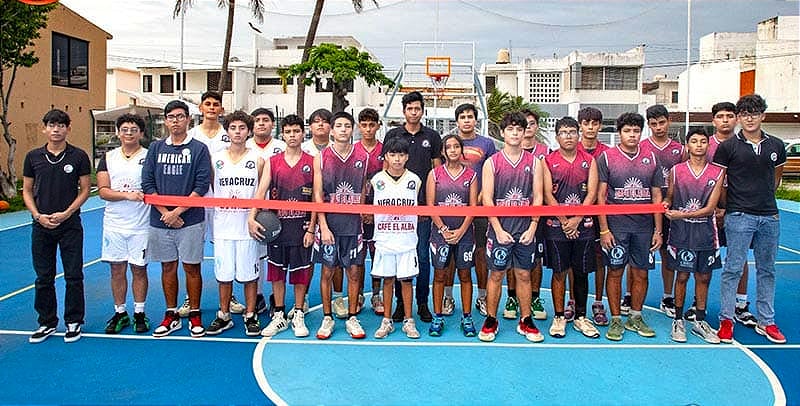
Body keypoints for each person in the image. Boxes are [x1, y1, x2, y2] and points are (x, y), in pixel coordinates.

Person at [713, 94, 786, 344]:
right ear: (739, 118)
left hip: (769, 216)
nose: (750, 118)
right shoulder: (728, 147)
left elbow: (776, 177)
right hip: (739, 215)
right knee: (733, 268)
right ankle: (726, 319)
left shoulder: (776, 145)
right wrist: (724, 208)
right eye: (744, 114)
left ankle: (767, 321)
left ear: (763, 116)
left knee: (767, 270)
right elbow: (721, 183)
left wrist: (764, 200)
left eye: (754, 113)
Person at [141, 100, 211, 338]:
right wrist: (165, 213)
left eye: (180, 116)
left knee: (192, 267)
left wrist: (178, 212)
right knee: (167, 267)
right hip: (160, 220)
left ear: (188, 119)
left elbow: (201, 185)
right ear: (166, 120)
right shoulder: (155, 148)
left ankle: (195, 314)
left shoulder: (199, 149)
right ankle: (171, 314)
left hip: (190, 220)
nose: (175, 121)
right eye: (171, 117)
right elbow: (147, 184)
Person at [23, 109, 91, 343]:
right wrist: (37, 215)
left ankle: (73, 321)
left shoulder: (79, 156)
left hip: (69, 225)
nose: (56, 129)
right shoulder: (33, 157)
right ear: (44, 128)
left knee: (73, 275)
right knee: (44, 277)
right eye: (52, 125)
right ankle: (46, 322)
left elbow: (85, 190)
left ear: (68, 129)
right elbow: (27, 190)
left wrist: (67, 213)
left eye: (61, 125)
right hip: (41, 226)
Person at [686, 102, 756, 328]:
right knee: (700, 260)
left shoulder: (746, 144)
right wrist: (712, 207)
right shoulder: (705, 144)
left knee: (739, 257)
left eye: (729, 116)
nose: (725, 120)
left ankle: (741, 305)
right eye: (720, 116)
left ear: (736, 119)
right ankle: (698, 302)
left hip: (739, 210)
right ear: (713, 120)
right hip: (708, 213)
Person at [596, 112, 662, 341]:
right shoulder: (607, 158)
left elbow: (656, 195)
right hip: (617, 227)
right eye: (627, 131)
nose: (632, 135)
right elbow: (601, 196)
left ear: (641, 132)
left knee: (641, 273)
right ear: (619, 133)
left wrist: (658, 230)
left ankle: (635, 315)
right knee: (615, 272)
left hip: (644, 228)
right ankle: (615, 319)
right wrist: (604, 229)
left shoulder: (652, 158)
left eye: (636, 131)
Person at [178, 91, 245, 317]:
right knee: (192, 252)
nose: (212, 108)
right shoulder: (191, 135)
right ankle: (190, 298)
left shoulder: (228, 135)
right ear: (200, 107)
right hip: (196, 200)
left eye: (216, 104)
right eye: (208, 104)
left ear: (221, 109)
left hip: (223, 203)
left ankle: (230, 296)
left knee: (225, 250)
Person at [479, 112, 544, 343]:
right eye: (510, 129)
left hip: (525, 229)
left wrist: (533, 226)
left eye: (519, 129)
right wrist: (497, 228)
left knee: (524, 274)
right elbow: (487, 199)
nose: (515, 133)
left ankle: (526, 320)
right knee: (496, 274)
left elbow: (538, 196)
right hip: (500, 229)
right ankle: (491, 319)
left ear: (525, 131)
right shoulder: (492, 162)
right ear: (503, 133)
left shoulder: (535, 162)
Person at [382, 91, 442, 323]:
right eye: (409, 108)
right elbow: (385, 171)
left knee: (422, 257)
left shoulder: (433, 136)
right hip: (396, 210)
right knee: (398, 256)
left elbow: (436, 173)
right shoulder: (394, 134)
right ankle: (400, 304)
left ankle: (423, 303)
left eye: (417, 108)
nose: (413, 112)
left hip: (423, 210)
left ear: (422, 110)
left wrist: (429, 207)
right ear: (404, 110)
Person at [256, 114, 316, 338]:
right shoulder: (273, 162)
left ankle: (298, 312)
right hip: (277, 227)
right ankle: (279, 314)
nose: (292, 135)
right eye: (288, 132)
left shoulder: (313, 161)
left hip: (301, 227)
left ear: (303, 133)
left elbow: (317, 198)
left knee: (300, 275)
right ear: (283, 134)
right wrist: (252, 217)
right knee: (277, 274)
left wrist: (312, 228)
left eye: (296, 131)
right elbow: (261, 193)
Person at [662, 128, 723, 344]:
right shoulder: (677, 170)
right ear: (687, 146)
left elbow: (709, 209)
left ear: (708, 145)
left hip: (705, 232)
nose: (699, 145)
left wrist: (681, 213)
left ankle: (700, 320)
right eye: (694, 141)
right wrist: (667, 204)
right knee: (682, 276)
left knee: (704, 276)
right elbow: (669, 196)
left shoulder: (717, 172)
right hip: (681, 232)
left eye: (703, 141)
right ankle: (678, 320)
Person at [204, 111, 262, 336]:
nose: (237, 132)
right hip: (223, 226)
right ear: (227, 131)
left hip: (247, 226)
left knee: (249, 275)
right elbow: (211, 186)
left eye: (242, 128)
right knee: (224, 274)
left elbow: (261, 192)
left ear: (249, 131)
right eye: (233, 128)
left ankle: (250, 315)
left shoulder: (257, 159)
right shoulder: (215, 159)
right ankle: (224, 314)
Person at [313, 111, 370, 339]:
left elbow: (365, 187)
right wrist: (323, 226)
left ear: (352, 129)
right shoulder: (321, 156)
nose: (344, 129)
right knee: (327, 271)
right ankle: (327, 317)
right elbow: (318, 194)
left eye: (347, 125)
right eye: (339, 125)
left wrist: (363, 213)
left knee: (354, 272)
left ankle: (353, 317)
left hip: (353, 225)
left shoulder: (362, 156)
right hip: (330, 224)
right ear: (332, 130)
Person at [543, 117, 600, 339]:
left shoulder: (589, 161)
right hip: (557, 226)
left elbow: (592, 193)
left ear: (578, 135)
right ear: (557, 136)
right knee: (559, 272)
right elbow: (548, 194)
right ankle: (558, 316)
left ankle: (580, 317)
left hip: (583, 225)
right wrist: (565, 220)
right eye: (563, 132)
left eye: (572, 132)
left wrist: (576, 219)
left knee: (581, 273)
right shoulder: (548, 161)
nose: (568, 136)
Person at [97, 113, 151, 334]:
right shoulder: (108, 157)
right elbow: (103, 191)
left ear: (141, 133)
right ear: (118, 132)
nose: (129, 133)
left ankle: (139, 312)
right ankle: (120, 312)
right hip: (114, 224)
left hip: (141, 224)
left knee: (139, 269)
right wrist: (127, 196)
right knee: (117, 269)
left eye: (133, 129)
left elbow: (153, 186)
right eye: (125, 129)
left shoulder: (149, 156)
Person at [443, 103, 496, 318]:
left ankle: (482, 297)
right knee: (451, 253)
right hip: (452, 208)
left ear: (476, 120)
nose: (466, 120)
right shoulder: (449, 142)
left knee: (481, 253)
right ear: (457, 121)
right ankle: (447, 296)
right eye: (462, 117)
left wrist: (482, 198)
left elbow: (492, 171)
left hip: (481, 207)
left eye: (470, 116)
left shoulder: (487, 143)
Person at [371, 136, 423, 339]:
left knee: (406, 281)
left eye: (401, 155)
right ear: (386, 156)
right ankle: (387, 320)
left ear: (407, 157)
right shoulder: (377, 180)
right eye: (393, 154)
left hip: (407, 239)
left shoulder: (415, 180)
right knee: (388, 281)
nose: (397, 159)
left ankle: (409, 321)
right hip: (384, 239)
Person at [427, 134, 478, 337]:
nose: (453, 150)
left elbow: (473, 207)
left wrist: (461, 231)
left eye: (457, 146)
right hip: (441, 234)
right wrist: (444, 230)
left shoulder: (471, 175)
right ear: (443, 151)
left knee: (465, 275)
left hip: (464, 234)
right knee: (440, 275)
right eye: (449, 147)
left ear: (461, 150)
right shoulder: (435, 175)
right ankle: (437, 315)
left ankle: (466, 316)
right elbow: (430, 206)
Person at [640, 105, 685, 319]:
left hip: (670, 209)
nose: (658, 127)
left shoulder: (679, 150)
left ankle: (667, 296)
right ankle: (631, 294)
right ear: (649, 125)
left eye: (662, 122)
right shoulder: (641, 147)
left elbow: (684, 176)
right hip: (644, 209)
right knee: (638, 253)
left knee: (667, 254)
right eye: (653, 123)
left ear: (669, 121)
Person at [247, 107, 286, 315]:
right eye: (257, 120)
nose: (261, 123)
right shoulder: (244, 147)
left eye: (266, 120)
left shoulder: (281, 147)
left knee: (275, 256)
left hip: (278, 208)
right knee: (255, 256)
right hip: (253, 209)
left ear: (273, 124)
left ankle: (275, 297)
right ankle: (258, 295)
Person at [577, 106, 611, 326]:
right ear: (580, 125)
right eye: (586, 123)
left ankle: (598, 302)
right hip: (574, 214)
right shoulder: (567, 149)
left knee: (600, 259)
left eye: (594, 123)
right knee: (573, 262)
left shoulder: (607, 153)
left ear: (599, 126)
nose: (590, 127)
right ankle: (573, 300)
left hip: (600, 215)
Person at [516, 108, 549, 321]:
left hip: (537, 214)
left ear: (536, 127)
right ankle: (512, 297)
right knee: (512, 260)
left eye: (531, 124)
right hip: (513, 215)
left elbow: (545, 187)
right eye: (524, 124)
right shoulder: (510, 151)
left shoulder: (544, 152)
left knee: (535, 258)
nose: (528, 128)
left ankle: (535, 297)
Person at [354, 108, 384, 315]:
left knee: (377, 254)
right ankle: (356, 295)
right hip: (355, 212)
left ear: (378, 126)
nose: (367, 129)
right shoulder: (353, 150)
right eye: (364, 125)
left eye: (371, 125)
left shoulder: (385, 151)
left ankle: (376, 293)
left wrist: (375, 211)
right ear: (359, 126)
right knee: (357, 256)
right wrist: (359, 210)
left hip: (379, 211)